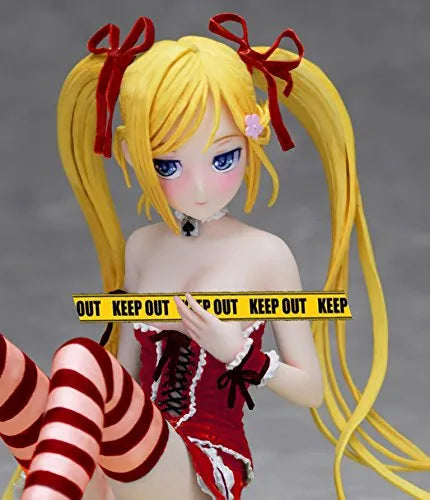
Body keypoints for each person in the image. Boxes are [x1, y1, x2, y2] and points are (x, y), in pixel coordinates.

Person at [1, 12, 429, 500]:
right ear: (132, 155)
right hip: (129, 450)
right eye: (168, 164)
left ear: (252, 138)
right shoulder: (141, 246)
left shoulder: (266, 254)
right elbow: (122, 375)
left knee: (80, 356)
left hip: (201, 464)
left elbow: (312, 389)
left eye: (223, 158)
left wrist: (240, 354)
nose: (201, 187)